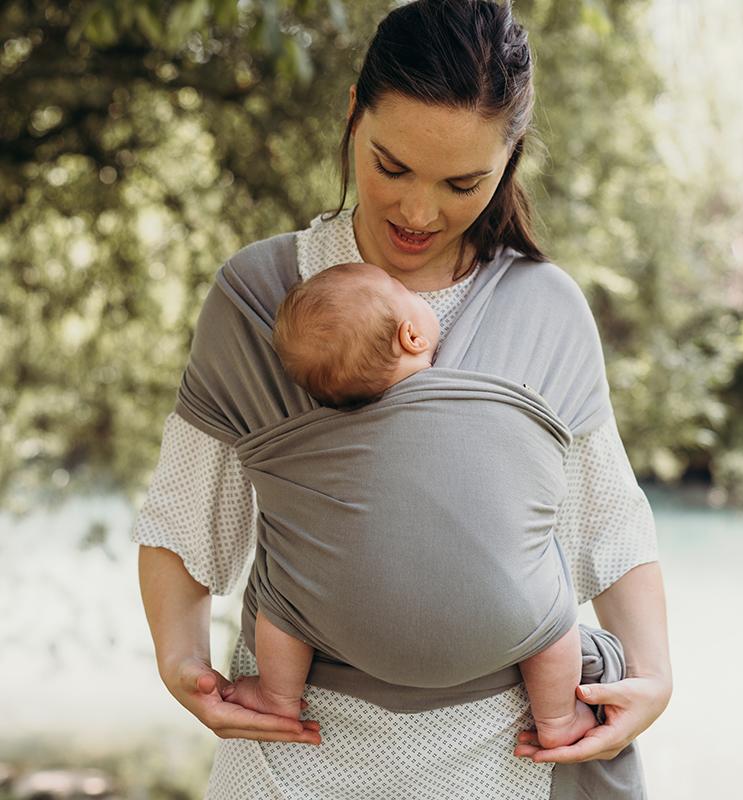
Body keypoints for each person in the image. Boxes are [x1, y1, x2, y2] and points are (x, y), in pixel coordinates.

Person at [133, 2, 672, 798]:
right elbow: (186, 511)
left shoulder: (545, 309)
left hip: (508, 760)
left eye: (462, 183)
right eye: (392, 167)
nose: (419, 214)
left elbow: (607, 520)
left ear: (510, 157)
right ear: (354, 114)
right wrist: (179, 660)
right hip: (295, 759)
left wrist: (654, 677)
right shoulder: (262, 301)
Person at [220, 260, 598, 751]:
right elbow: (540, 450)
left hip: (346, 630)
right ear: (413, 337)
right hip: (503, 624)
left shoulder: (310, 446)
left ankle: (278, 697)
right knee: (549, 614)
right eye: (404, 292)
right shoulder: (488, 402)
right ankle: (558, 719)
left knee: (284, 598)